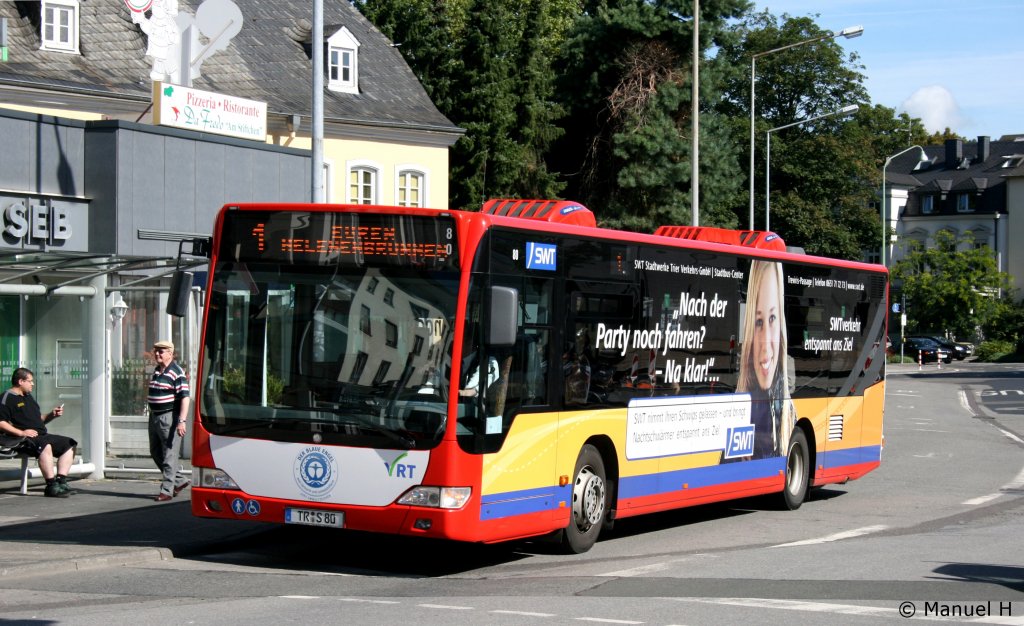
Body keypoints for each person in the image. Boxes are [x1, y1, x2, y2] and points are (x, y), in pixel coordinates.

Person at [736, 260, 796, 459]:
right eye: (758, 322)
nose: (765, 344)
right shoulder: (737, 409)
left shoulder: (788, 413)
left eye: (772, 319)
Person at [0, 368, 77, 497]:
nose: (33, 384)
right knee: (45, 445)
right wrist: (21, 433)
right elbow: (1, 422)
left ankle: (61, 481)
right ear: (20, 381)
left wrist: (52, 415)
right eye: (30, 381)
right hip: (20, 440)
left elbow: (38, 419)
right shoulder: (6, 398)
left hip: (40, 435)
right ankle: (51, 486)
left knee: (70, 444)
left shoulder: (28, 397)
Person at [148, 339, 191, 502]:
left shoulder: (177, 372)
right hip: (154, 416)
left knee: (169, 456)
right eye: (156, 350)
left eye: (162, 351)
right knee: (155, 451)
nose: (157, 353)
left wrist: (181, 421)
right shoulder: (157, 371)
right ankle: (179, 481)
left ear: (170, 353)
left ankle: (167, 490)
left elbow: (185, 398)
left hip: (169, 417)